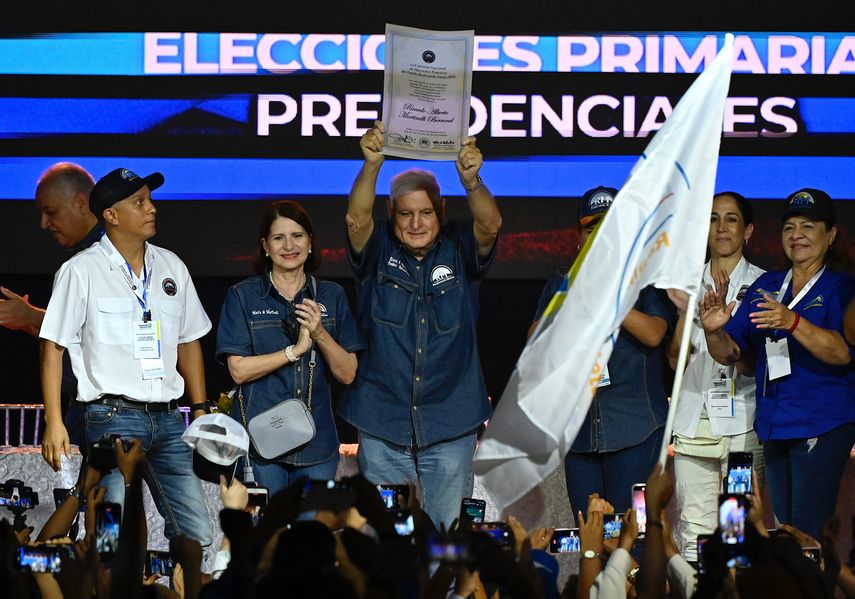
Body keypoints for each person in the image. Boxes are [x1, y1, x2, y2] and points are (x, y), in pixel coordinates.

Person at [340, 120, 502, 530]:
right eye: (406, 213)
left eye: (426, 212)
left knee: (446, 537)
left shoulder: (461, 248)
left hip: (451, 422)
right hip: (382, 422)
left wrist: (471, 180)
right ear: (391, 213)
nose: (416, 223)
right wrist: (372, 166)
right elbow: (356, 220)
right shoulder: (376, 252)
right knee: (389, 539)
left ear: (441, 211)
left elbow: (491, 225)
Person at [39, 167, 213, 545]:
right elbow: (52, 346)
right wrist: (54, 421)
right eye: (139, 202)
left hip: (168, 420)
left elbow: (188, 340)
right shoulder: (81, 270)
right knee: (109, 538)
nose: (151, 209)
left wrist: (199, 406)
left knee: (197, 534)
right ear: (111, 216)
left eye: (150, 200)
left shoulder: (172, 266)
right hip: (111, 420)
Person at [702, 187, 855, 540]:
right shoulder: (767, 285)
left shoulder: (842, 287)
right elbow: (733, 353)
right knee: (785, 532)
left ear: (830, 235)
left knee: (807, 535)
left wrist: (794, 323)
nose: (797, 235)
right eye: (789, 227)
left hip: (821, 423)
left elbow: (843, 352)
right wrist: (713, 332)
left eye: (808, 226)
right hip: (774, 426)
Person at [531, 186, 676, 516]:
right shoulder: (562, 280)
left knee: (631, 536)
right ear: (579, 236)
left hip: (635, 429)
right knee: (591, 535)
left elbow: (654, 334)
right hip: (580, 433)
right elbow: (535, 343)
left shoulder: (645, 281)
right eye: (590, 227)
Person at [216, 200, 364, 494]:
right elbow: (238, 370)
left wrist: (319, 333)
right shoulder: (244, 296)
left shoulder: (332, 296)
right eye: (278, 238)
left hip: (317, 445)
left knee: (312, 536)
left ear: (310, 244)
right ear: (265, 246)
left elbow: (348, 374)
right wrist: (293, 352)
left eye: (297, 236)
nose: (289, 245)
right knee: (266, 535)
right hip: (260, 444)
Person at [667, 191, 766, 562]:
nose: (721, 227)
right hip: (693, 423)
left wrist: (721, 331)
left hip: (743, 422)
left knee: (735, 527)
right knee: (693, 528)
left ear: (748, 230)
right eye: (712, 218)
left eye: (731, 219)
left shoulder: (764, 285)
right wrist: (683, 312)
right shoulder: (685, 286)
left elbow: (758, 363)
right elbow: (675, 362)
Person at [0, 163, 104, 444]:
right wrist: (31, 324)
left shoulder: (109, 258)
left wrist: (33, 316)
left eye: (51, 212)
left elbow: (104, 330)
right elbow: (77, 340)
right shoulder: (82, 260)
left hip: (105, 418)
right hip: (82, 411)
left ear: (81, 203)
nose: (44, 224)